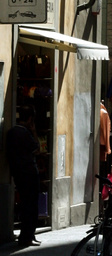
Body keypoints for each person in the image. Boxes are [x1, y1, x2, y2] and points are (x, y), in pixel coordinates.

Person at [6, 106, 41, 248]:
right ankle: (27, 237)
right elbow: (37, 149)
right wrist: (34, 131)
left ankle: (25, 236)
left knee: (24, 204)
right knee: (31, 206)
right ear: (30, 119)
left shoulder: (11, 133)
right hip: (29, 174)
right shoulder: (25, 133)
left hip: (18, 173)